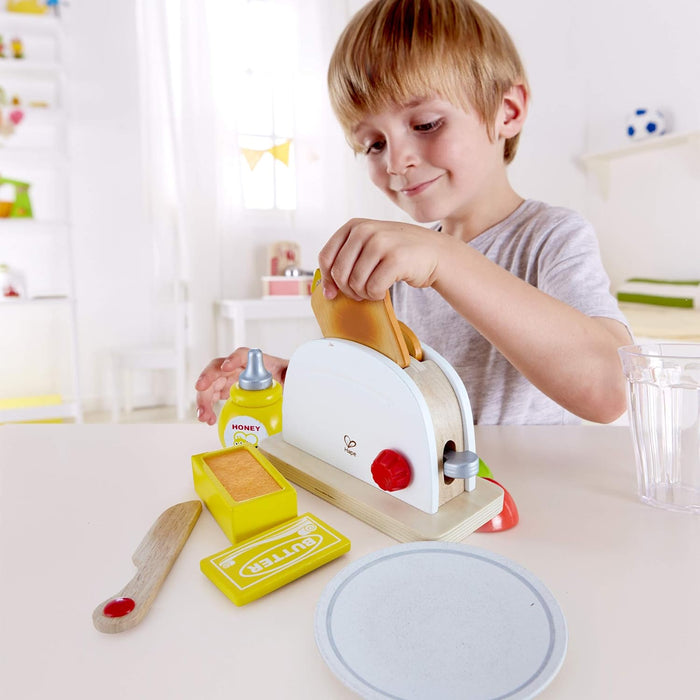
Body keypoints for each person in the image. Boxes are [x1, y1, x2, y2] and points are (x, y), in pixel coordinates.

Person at [196, 0, 631, 427]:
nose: (395, 162)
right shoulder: (400, 271)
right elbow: (379, 405)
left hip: (532, 494)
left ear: (508, 111)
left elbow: (612, 390)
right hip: (429, 498)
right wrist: (294, 381)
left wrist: (445, 257)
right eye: (374, 144)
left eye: (424, 124)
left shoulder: (552, 237)